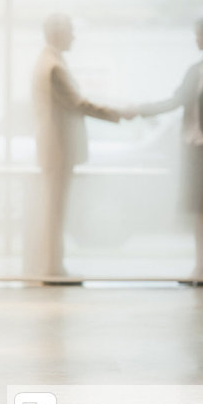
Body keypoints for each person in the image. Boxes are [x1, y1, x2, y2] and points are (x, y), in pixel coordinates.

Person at [126, 17, 203, 281]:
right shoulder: (194, 70)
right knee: (199, 207)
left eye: (199, 35)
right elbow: (176, 100)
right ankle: (199, 264)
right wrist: (142, 110)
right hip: (193, 146)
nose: (196, 39)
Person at [30, 14, 129, 277]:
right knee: (55, 211)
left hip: (54, 148)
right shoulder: (54, 67)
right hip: (58, 150)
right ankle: (53, 267)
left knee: (54, 210)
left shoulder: (48, 61)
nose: (73, 36)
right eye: (70, 31)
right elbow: (79, 104)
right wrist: (117, 113)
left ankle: (52, 265)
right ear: (58, 33)